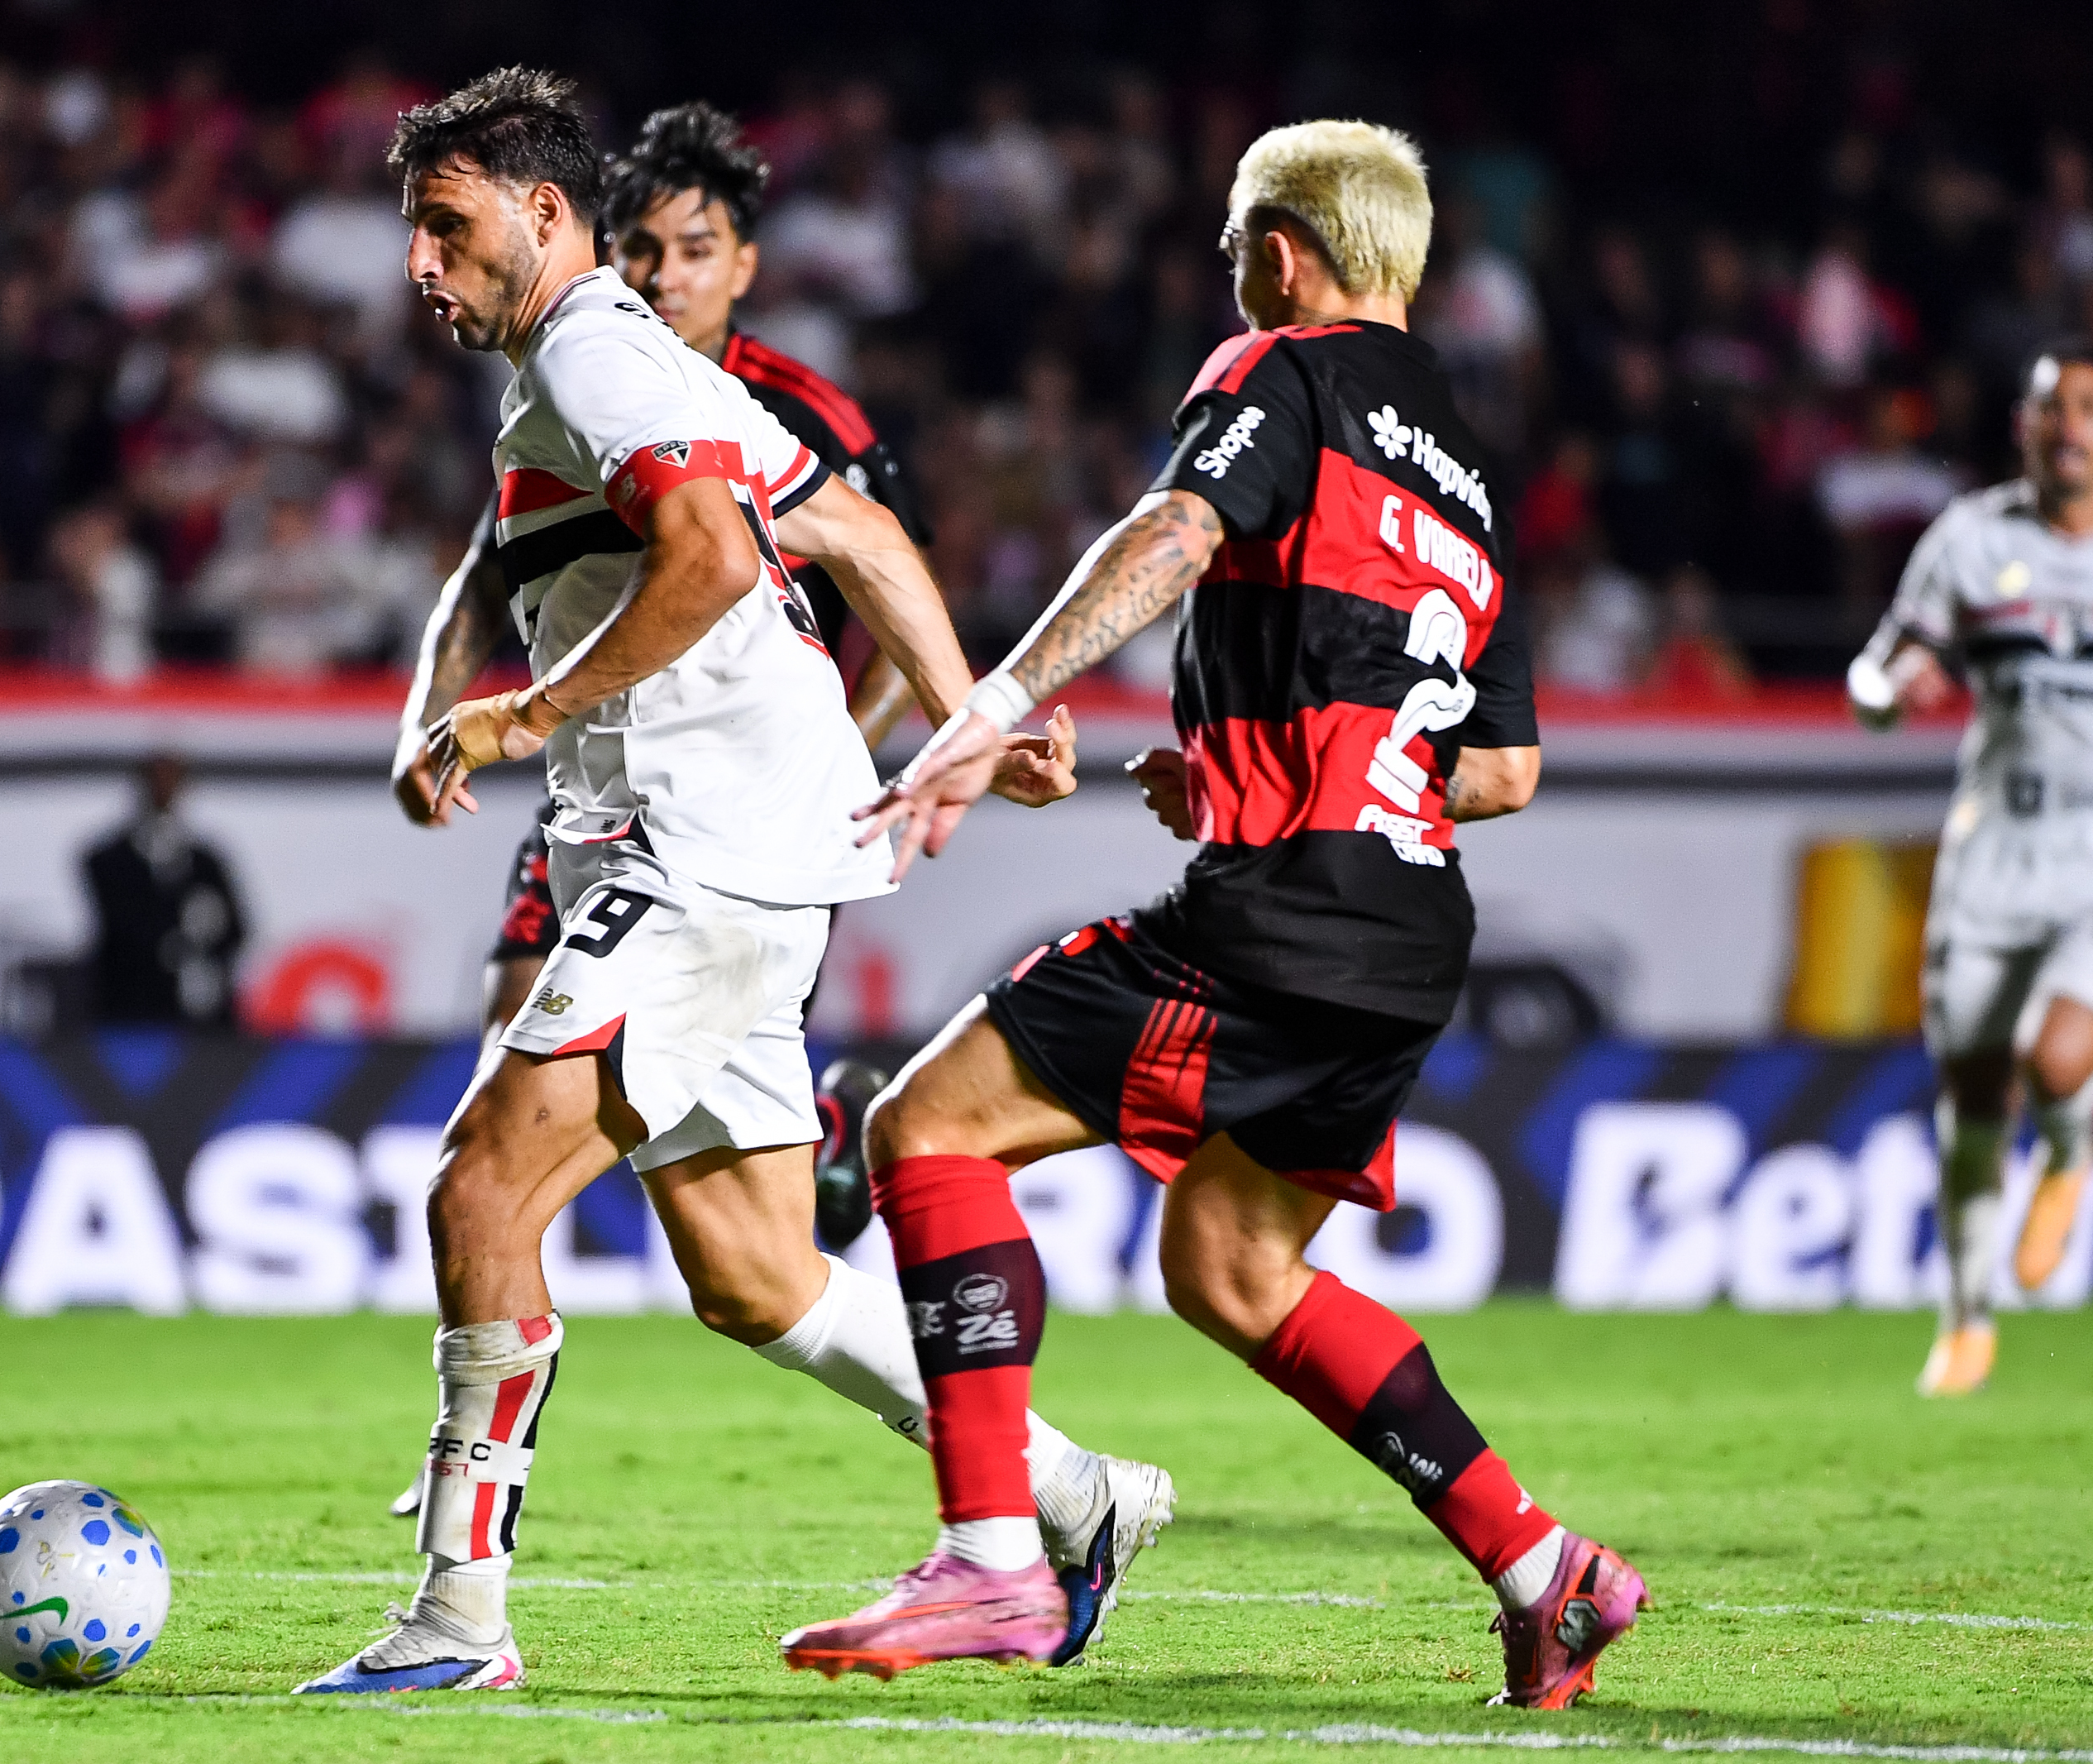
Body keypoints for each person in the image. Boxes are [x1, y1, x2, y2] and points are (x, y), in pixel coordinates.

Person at [306, 69, 1158, 1698]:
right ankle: (1077, 1493)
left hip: (699, 851)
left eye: (446, 223)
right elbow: (845, 530)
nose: (420, 262)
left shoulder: (595, 351)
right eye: (410, 227)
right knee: (757, 1273)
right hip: (749, 852)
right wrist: (979, 714)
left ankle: (455, 1618)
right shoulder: (607, 365)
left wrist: (524, 712)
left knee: (483, 1189)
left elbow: (706, 555)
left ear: (542, 215)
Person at [781, 121, 1645, 1711]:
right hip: (1407, 938)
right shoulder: (1468, 471)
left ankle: (991, 1553)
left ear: (1288, 248)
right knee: (1235, 1268)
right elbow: (1503, 769)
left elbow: (1172, 538)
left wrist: (981, 710)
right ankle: (1546, 1567)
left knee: (925, 1132)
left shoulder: (1283, 369)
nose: (1226, 266)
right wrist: (1264, 774)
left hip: (1288, 919)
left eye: (1240, 236)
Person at [394, 101, 927, 1245]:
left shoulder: (778, 406)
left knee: (516, 1151)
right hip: (610, 776)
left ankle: (514, 1289)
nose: (663, 275)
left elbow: (872, 556)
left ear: (744, 264)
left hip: (733, 798)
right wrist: (427, 722)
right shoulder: (579, 374)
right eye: (641, 248)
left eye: (695, 251)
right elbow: (484, 583)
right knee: (527, 1062)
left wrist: (896, 756)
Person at [1846, 339, 2093, 1396]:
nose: (2072, 428)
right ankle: (1963, 1316)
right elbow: (1875, 666)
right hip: (1990, 843)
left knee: (2060, 1055)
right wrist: (1886, 692)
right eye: (2055, 409)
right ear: (2023, 428)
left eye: (2088, 410)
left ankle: (2073, 1148)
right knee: (1974, 1095)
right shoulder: (1966, 539)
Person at [80, 753, 247, 1027]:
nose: (164, 790)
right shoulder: (107, 861)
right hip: (131, 1013)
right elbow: (121, 930)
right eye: (156, 780)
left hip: (202, 1022)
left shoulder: (207, 863)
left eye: (172, 780)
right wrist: (176, 942)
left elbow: (237, 930)